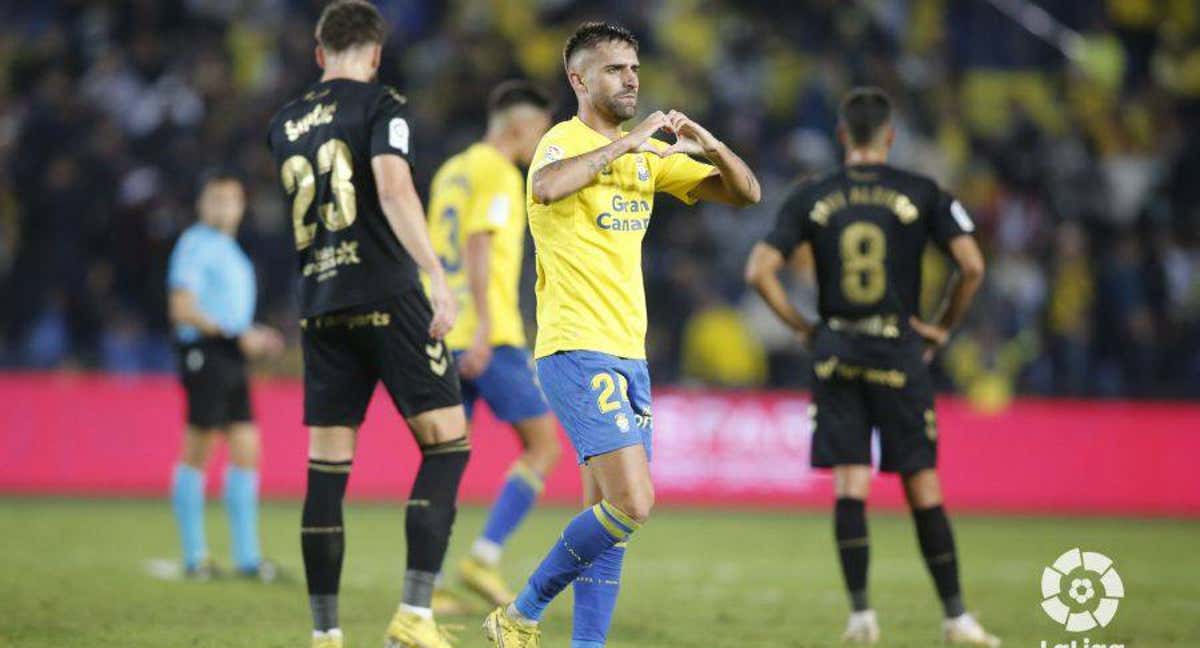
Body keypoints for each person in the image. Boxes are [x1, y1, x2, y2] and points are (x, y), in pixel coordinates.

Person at [481, 21, 761, 648]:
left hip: (628, 354)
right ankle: (518, 615)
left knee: (609, 518)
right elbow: (547, 186)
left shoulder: (645, 159)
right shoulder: (562, 141)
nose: (631, 78)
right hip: (574, 347)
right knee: (633, 502)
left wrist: (706, 143)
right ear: (579, 79)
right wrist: (632, 142)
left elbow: (746, 193)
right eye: (615, 69)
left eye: (634, 68)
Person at [744, 87, 999, 646]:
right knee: (922, 486)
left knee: (850, 484)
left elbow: (759, 271)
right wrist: (941, 325)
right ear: (889, 136)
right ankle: (956, 617)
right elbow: (972, 266)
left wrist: (804, 328)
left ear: (842, 137)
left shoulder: (812, 195)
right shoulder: (922, 191)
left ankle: (861, 616)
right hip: (897, 350)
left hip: (836, 352)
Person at [266, 2, 469, 646]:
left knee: (326, 469)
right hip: (386, 292)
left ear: (318, 51)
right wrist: (436, 273)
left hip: (321, 304)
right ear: (376, 53)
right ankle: (414, 616)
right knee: (446, 444)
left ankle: (325, 635)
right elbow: (392, 187)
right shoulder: (384, 105)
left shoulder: (285, 122)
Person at [425, 80, 561, 612]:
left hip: (443, 325)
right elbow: (479, 244)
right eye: (540, 132)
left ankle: (428, 582)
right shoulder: (501, 174)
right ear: (519, 128)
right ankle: (483, 555)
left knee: (446, 458)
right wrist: (483, 327)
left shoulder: (451, 171)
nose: (541, 144)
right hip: (490, 334)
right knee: (543, 445)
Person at [166, 171, 284, 582]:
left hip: (230, 354)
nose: (222, 207)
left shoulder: (231, 251)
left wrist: (253, 334)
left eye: (230, 200)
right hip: (205, 351)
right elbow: (182, 308)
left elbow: (232, 316)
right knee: (198, 448)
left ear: (240, 207)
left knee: (247, 449)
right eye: (214, 199)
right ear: (202, 205)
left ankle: (248, 557)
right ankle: (195, 556)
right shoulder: (195, 244)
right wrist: (238, 334)